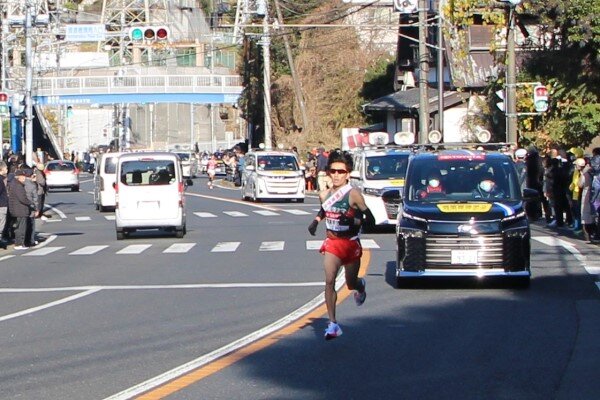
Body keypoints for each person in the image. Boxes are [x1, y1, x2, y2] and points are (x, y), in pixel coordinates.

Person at [307, 150, 375, 340]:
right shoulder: (324, 194)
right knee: (329, 280)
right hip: (333, 243)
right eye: (333, 171)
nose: (336, 175)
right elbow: (325, 208)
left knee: (351, 282)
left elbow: (369, 218)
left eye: (341, 172)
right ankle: (333, 324)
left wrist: (353, 221)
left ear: (348, 174)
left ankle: (360, 286)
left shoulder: (353, 194)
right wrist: (315, 221)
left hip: (350, 243)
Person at [8, 170, 35, 250]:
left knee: (19, 226)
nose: (24, 178)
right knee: (21, 227)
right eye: (22, 176)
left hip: (19, 209)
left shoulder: (16, 184)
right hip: (20, 209)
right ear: (18, 177)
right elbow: (22, 198)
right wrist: (30, 203)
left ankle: (20, 243)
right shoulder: (18, 186)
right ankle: (19, 243)